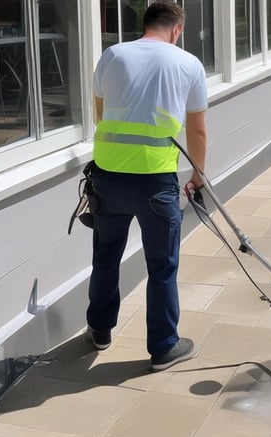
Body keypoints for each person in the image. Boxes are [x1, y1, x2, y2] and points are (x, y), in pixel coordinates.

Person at [86, 0, 208, 372]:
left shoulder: (113, 54)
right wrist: (198, 175)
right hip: (156, 182)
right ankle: (163, 347)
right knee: (161, 266)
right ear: (177, 29)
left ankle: (100, 330)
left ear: (146, 25)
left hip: (107, 176)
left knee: (106, 255)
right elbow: (197, 129)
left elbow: (100, 112)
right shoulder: (188, 64)